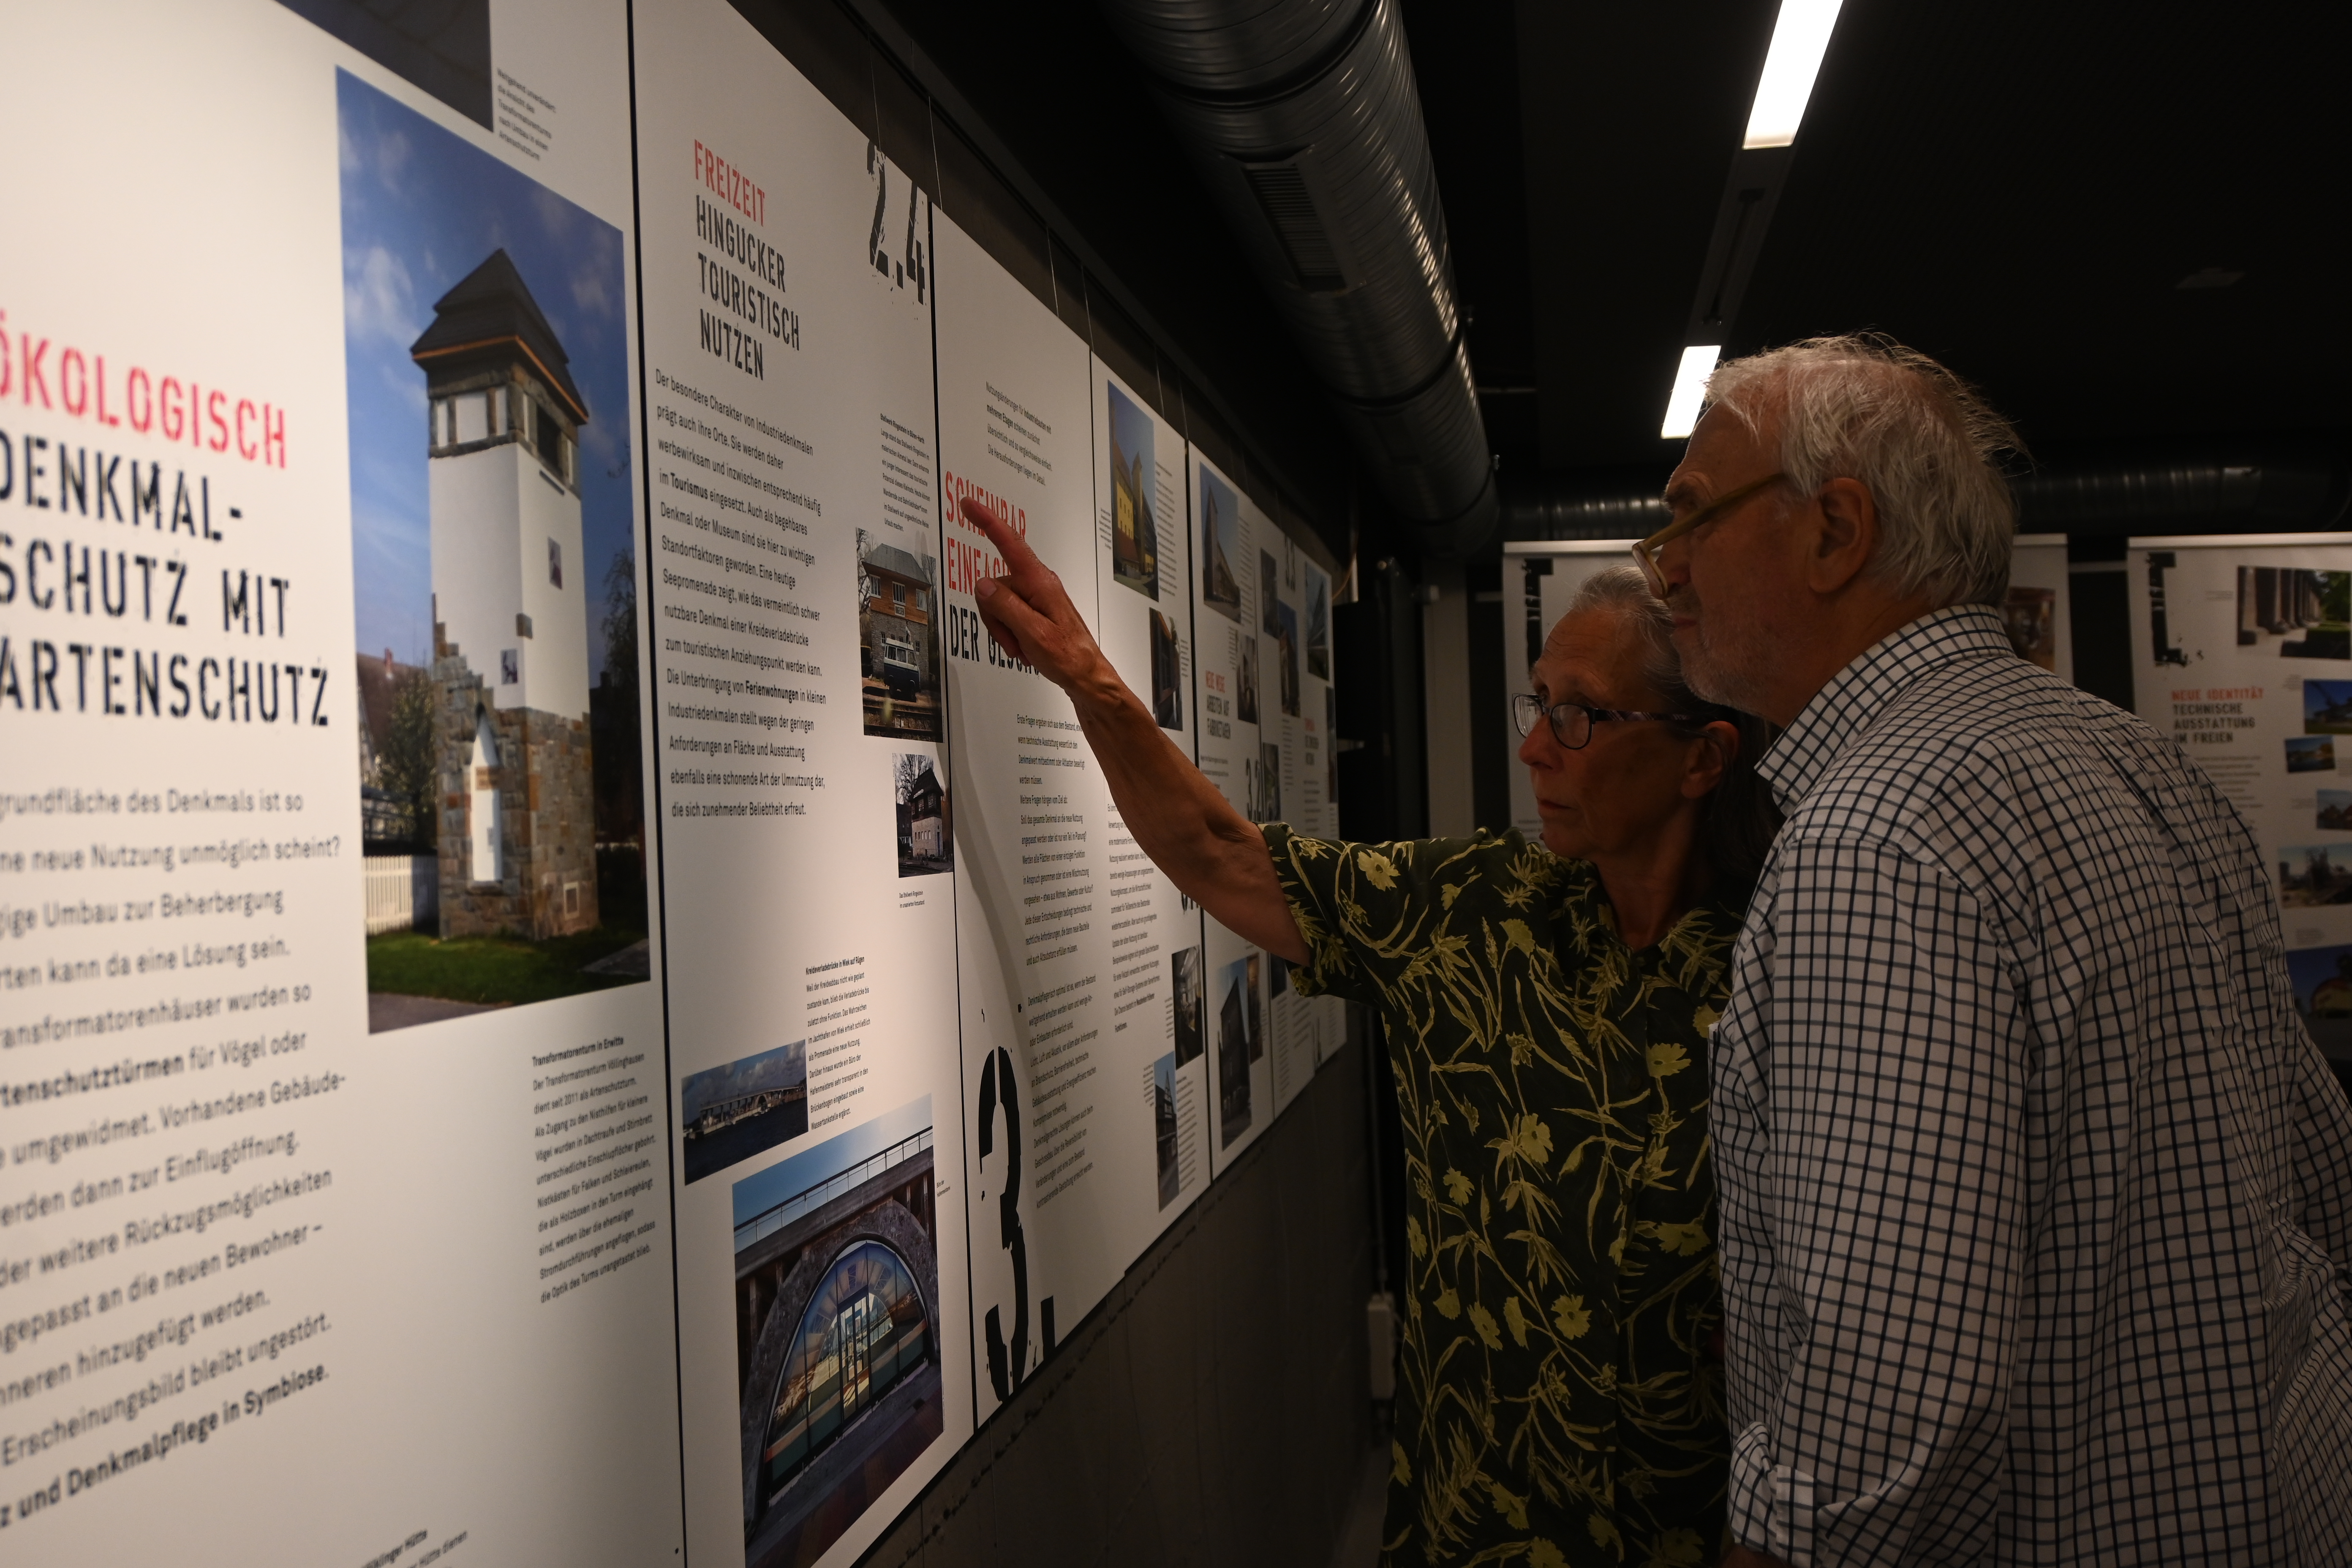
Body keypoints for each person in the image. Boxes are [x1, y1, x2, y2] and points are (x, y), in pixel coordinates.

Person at [1639, 333, 2352, 1566]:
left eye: (1691, 518)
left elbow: (1890, 1407)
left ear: (1834, 532)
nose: (1663, 571)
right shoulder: (2141, 767)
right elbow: (2318, 1186)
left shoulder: (1877, 841)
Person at [963, 493, 1776, 1566]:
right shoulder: (1479, 910)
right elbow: (1223, 856)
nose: (1536, 747)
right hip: (1470, 1533)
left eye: (1581, 716)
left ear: (1702, 759)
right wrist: (1088, 673)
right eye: (1537, 703)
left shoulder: (1784, 974)